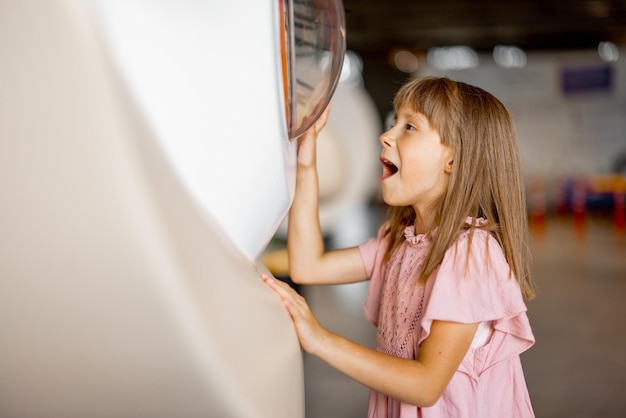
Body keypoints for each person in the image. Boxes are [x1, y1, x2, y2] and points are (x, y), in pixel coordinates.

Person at [262, 76, 536, 417]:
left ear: (453, 159)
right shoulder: (399, 241)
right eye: (394, 122)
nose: (386, 135)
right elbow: (308, 266)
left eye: (409, 127)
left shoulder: (472, 255)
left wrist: (321, 339)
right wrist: (305, 165)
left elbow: (425, 385)